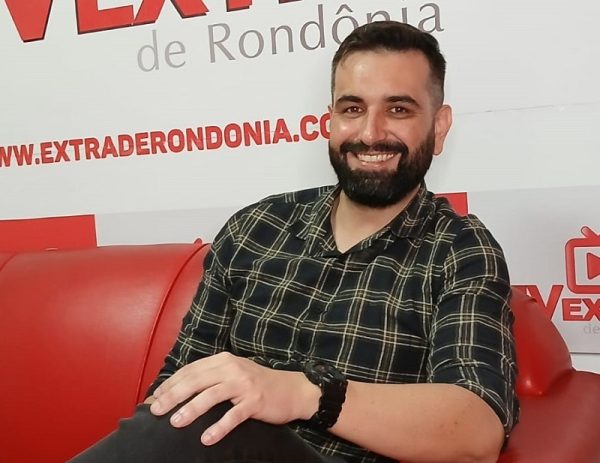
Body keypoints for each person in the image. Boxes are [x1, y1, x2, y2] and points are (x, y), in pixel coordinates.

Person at [70, 20, 518, 463]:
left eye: (398, 110)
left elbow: (478, 430)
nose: (370, 133)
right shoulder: (255, 228)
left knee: (220, 417)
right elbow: (175, 392)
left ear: (439, 127)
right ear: (330, 120)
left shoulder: (460, 250)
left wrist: (305, 394)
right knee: (198, 411)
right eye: (352, 109)